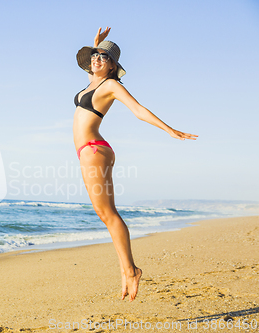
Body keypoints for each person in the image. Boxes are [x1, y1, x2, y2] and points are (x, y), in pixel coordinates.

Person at [73, 27, 198, 301]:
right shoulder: (94, 82)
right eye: (95, 56)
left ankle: (131, 270)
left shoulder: (111, 85)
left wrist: (168, 129)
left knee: (108, 213)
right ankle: (125, 269)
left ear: (114, 66)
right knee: (104, 214)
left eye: (103, 58)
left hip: (95, 150)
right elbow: (91, 66)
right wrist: (96, 46)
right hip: (87, 151)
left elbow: (138, 110)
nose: (96, 60)